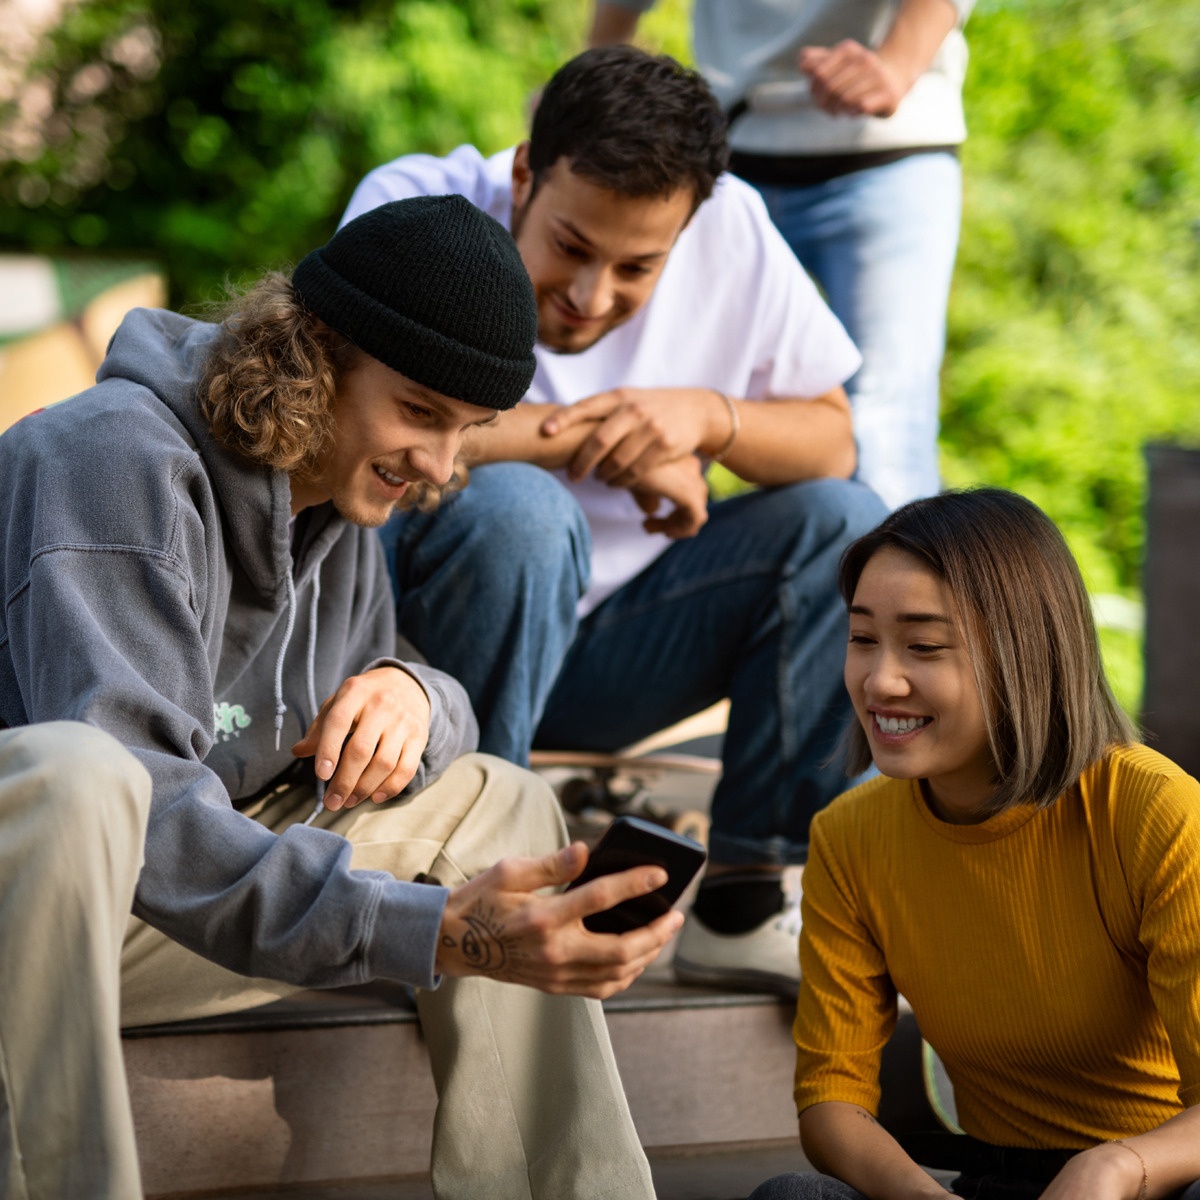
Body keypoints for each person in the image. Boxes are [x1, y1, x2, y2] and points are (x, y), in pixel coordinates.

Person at [0, 196, 680, 1200]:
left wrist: (416, 691)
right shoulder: (111, 459)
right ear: (312, 353)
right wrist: (431, 931)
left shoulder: (331, 504)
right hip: (39, 903)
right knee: (83, 776)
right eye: (419, 413)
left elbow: (402, 700)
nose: (441, 467)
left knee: (504, 803)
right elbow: (144, 810)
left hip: (161, 909)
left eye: (469, 430)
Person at [341, 46, 888, 997]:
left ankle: (748, 897)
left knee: (844, 526)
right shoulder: (416, 206)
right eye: (570, 248)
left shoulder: (734, 230)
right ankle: (466, 872)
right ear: (522, 175)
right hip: (414, 646)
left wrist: (705, 417)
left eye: (638, 266)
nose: (593, 299)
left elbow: (832, 443)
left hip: (612, 651)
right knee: (522, 512)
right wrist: (581, 435)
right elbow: (352, 419)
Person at [749, 488, 1200, 1200]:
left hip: (1160, 1177)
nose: (879, 680)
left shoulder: (1152, 808)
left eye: (924, 647)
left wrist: (1114, 1167)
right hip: (995, 1178)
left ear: (1027, 654)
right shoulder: (849, 836)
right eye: (863, 638)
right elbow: (830, 1101)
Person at [591, 0, 972, 511]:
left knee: (886, 427)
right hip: (734, 146)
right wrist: (593, 94)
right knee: (654, 383)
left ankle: (893, 587)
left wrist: (898, 63)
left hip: (889, 148)